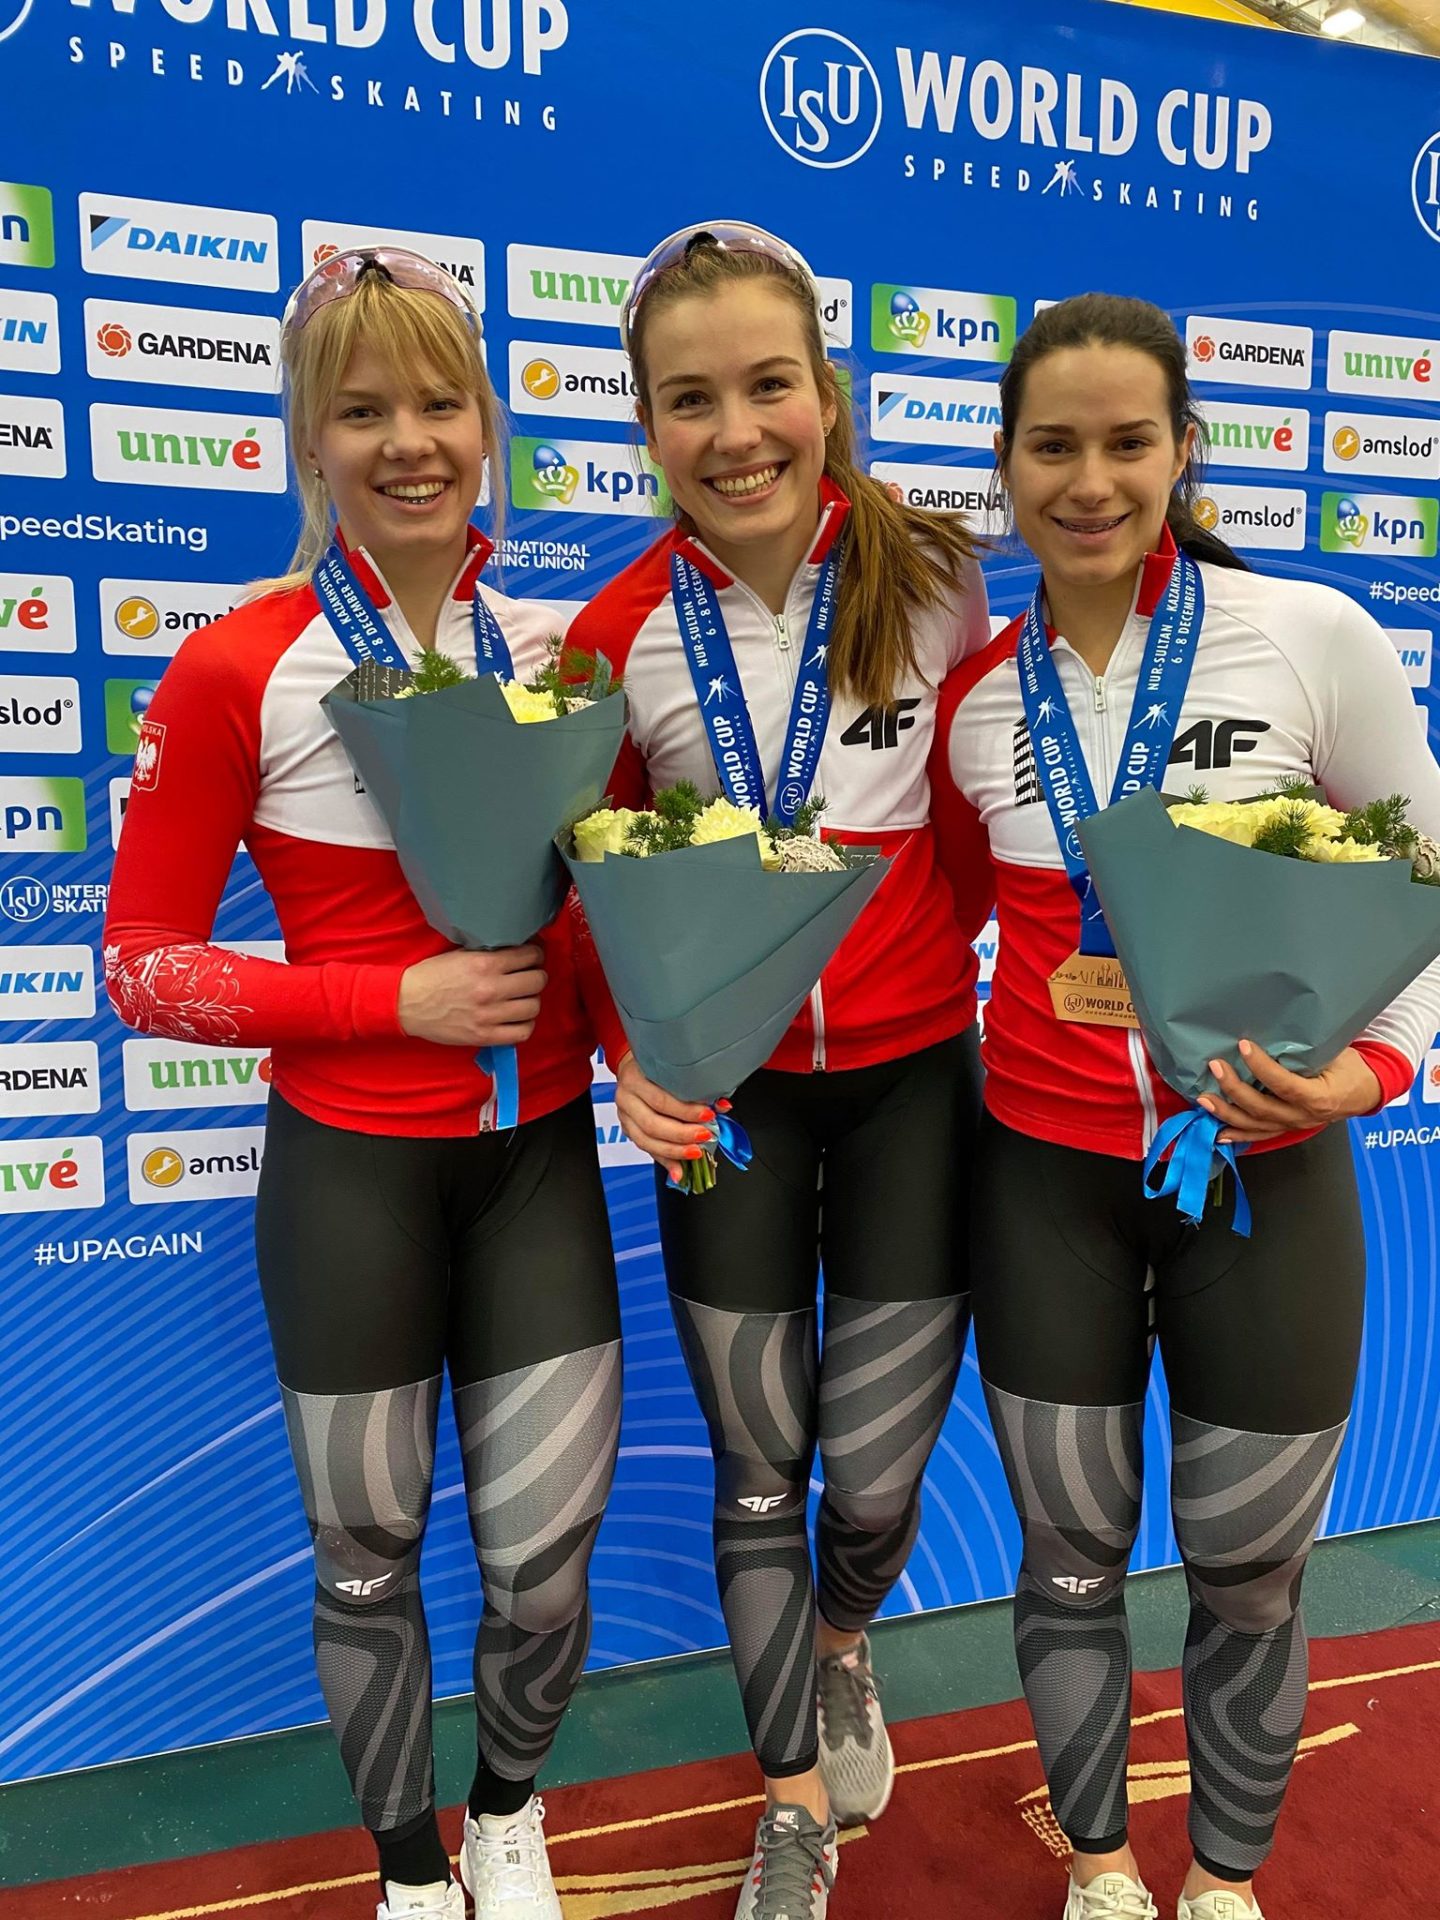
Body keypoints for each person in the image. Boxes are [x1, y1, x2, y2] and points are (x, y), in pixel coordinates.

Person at [103, 249, 622, 1920]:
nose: (409, 441)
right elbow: (142, 965)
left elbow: (622, 910)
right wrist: (388, 1000)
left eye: (441, 403)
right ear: (307, 441)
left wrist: (663, 1049)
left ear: (490, 427)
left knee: (547, 1563)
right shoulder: (234, 666)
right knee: (365, 1553)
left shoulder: (562, 648)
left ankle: (508, 1818)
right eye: (363, 409)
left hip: (536, 1165)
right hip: (350, 1176)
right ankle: (409, 1876)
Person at [929, 291, 1440, 1920]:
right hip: (1045, 1184)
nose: (1090, 481)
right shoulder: (977, 700)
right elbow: (931, 929)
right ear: (1005, 467)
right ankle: (1100, 1871)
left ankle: (1221, 1883)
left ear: (1182, 454)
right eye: (1052, 447)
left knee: (1252, 1575)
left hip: (1268, 1177)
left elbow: (1433, 881)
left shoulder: (1306, 634)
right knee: (1069, 1563)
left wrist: (1369, 1071)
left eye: (1127, 442)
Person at [565, 222, 990, 1920]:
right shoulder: (615, 633)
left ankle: (845, 1641)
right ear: (646, 425)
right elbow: (591, 895)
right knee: (759, 1465)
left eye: (768, 386)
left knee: (870, 1481)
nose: (735, 433)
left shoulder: (934, 581)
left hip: (912, 1088)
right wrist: (632, 1058)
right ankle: (793, 1806)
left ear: (828, 392)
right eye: (690, 400)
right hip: (726, 1109)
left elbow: (980, 846)